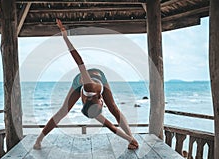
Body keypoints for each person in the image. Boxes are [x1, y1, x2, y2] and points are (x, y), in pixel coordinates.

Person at [33, 19, 139, 150]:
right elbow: (110, 126)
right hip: (79, 83)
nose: (103, 105)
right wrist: (130, 139)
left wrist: (130, 139)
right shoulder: (91, 99)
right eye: (102, 105)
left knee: (114, 109)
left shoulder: (92, 89)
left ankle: (131, 139)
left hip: (98, 78)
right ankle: (39, 139)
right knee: (62, 111)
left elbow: (79, 61)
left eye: (101, 106)